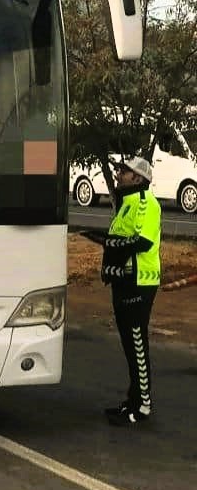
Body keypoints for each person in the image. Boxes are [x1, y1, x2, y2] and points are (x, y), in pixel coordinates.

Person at [84, 155, 161, 426]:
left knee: (137, 345)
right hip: (123, 282)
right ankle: (134, 399)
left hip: (139, 282)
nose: (118, 174)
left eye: (124, 171)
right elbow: (120, 240)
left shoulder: (146, 204)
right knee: (129, 345)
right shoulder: (127, 204)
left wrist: (106, 241)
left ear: (138, 179)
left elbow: (141, 242)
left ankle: (143, 407)